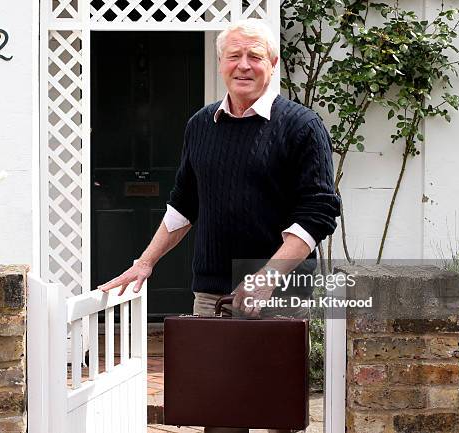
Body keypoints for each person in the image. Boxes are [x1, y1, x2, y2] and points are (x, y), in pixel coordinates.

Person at [99, 18, 340, 433]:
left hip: (281, 291)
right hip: (212, 291)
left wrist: (265, 278)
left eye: (254, 56)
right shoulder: (200, 125)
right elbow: (183, 206)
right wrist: (145, 262)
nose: (244, 65)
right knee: (219, 411)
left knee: (275, 409)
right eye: (234, 56)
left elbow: (318, 212)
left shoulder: (302, 126)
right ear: (221, 63)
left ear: (273, 62)